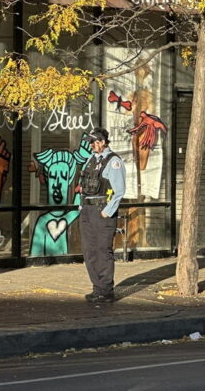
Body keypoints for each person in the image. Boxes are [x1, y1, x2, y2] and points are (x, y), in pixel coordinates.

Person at [79, 128, 126, 303]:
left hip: (102, 210)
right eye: (91, 142)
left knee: (102, 250)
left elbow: (119, 191)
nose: (92, 145)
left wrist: (107, 211)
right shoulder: (90, 160)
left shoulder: (113, 161)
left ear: (103, 141)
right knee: (89, 250)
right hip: (87, 210)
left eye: (95, 142)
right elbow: (82, 184)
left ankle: (106, 290)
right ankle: (96, 287)